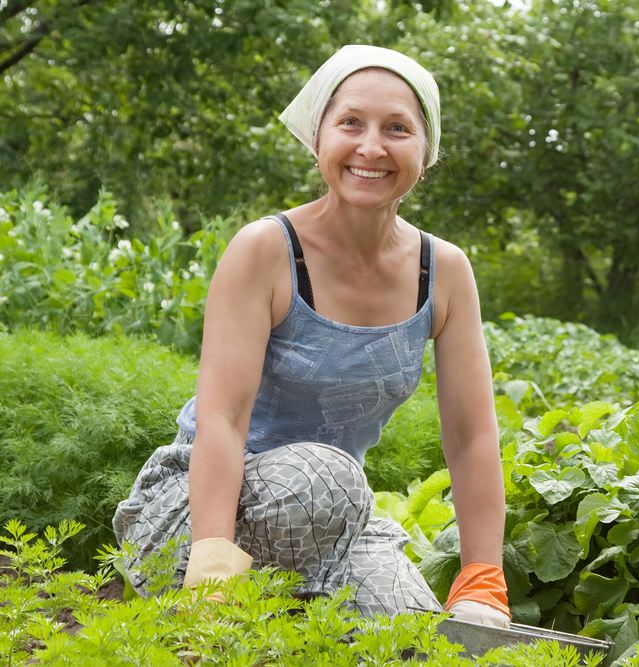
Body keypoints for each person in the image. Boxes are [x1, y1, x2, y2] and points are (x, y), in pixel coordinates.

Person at [113, 45, 510, 628]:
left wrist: (483, 574)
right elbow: (222, 416)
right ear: (318, 135)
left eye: (398, 128)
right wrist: (213, 549)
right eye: (351, 122)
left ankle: (292, 620)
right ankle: (213, 607)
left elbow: (472, 435)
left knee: (424, 644)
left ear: (426, 151)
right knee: (327, 479)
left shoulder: (442, 270)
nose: (372, 147)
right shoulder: (267, 250)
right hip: (196, 513)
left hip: (335, 520)